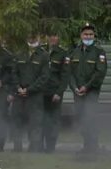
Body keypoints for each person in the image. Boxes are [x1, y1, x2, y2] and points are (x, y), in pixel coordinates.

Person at [68, 23, 107, 156]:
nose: (88, 36)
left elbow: (99, 73)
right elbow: (70, 74)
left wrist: (87, 86)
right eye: (86, 34)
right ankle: (86, 146)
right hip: (78, 93)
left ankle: (93, 147)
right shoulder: (75, 52)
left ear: (94, 36)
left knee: (90, 118)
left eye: (90, 34)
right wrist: (75, 88)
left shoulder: (99, 53)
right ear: (81, 35)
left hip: (91, 93)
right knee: (81, 118)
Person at [8, 34, 50, 152]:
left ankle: (34, 149)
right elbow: (14, 73)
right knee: (16, 121)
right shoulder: (19, 53)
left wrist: (30, 89)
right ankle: (17, 148)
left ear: (39, 38)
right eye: (30, 37)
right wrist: (18, 88)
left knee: (35, 123)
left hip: (34, 95)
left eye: (34, 37)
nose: (32, 39)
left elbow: (44, 76)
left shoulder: (44, 55)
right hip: (19, 94)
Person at [42, 31, 68, 153]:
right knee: (42, 119)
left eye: (55, 35)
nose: (52, 38)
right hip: (42, 91)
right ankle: (39, 146)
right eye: (50, 35)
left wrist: (59, 92)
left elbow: (65, 75)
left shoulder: (62, 54)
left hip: (55, 93)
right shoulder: (42, 51)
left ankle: (51, 147)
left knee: (53, 120)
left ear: (58, 38)